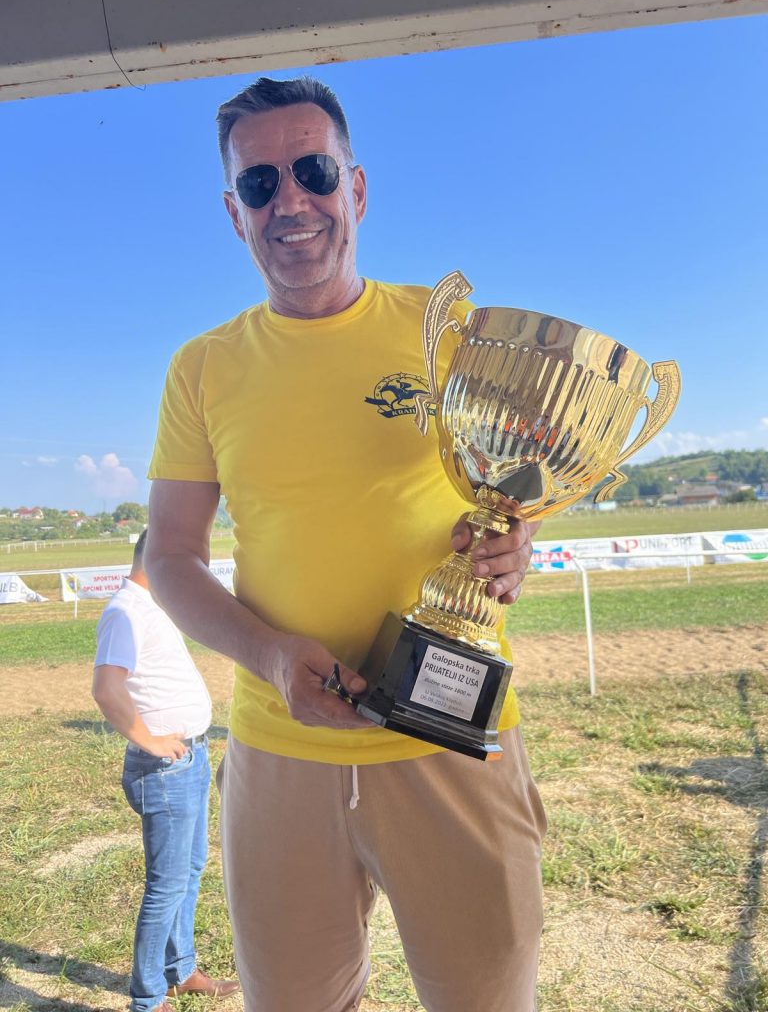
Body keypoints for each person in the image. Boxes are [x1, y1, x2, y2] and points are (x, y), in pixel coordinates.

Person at [145, 76, 546, 1012]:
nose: (290, 200)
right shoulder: (201, 368)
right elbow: (169, 555)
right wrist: (271, 657)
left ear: (356, 189)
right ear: (235, 213)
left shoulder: (450, 332)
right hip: (280, 749)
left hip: (454, 737)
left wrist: (517, 537)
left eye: (314, 172)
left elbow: (523, 483)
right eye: (260, 183)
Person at [92, 529, 239, 1012]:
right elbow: (107, 689)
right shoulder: (125, 612)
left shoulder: (150, 607)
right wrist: (151, 741)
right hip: (165, 768)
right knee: (167, 885)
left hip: (187, 760)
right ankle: (148, 998)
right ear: (156, 558)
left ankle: (180, 971)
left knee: (189, 871)